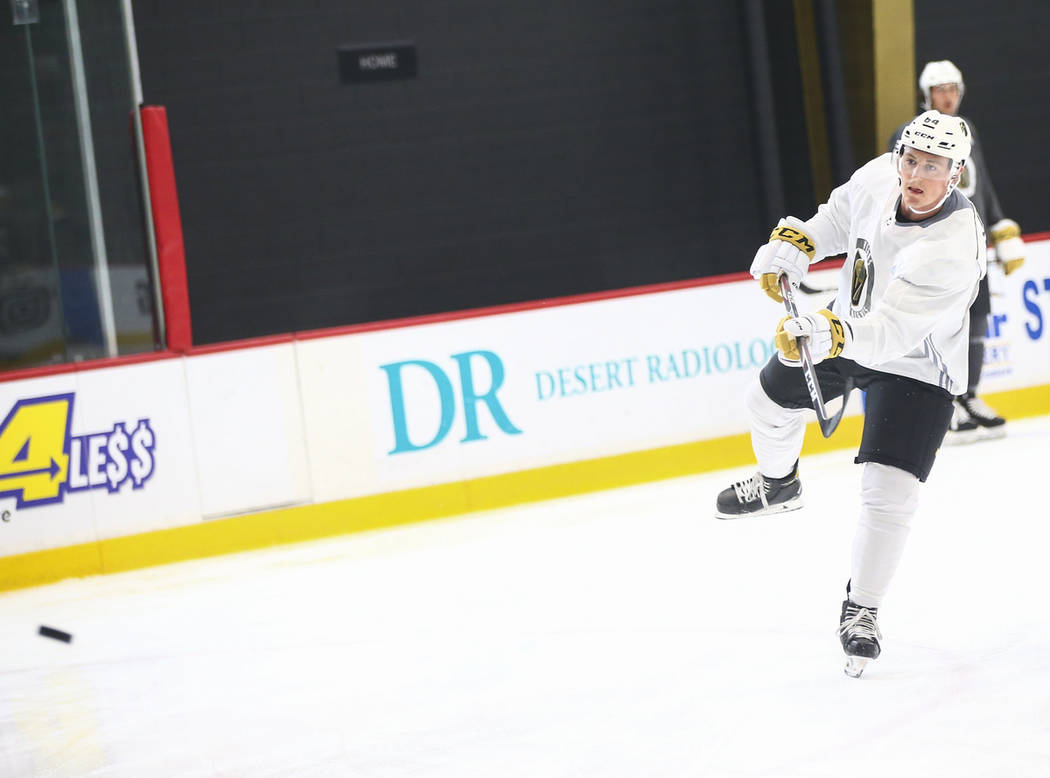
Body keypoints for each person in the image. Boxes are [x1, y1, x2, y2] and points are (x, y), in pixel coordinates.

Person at [715, 110, 985, 678]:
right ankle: (777, 483)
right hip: (846, 324)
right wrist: (798, 245)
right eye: (910, 158)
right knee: (764, 403)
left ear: (955, 174)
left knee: (888, 491)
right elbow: (838, 216)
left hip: (915, 364)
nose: (913, 173)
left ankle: (861, 608)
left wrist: (825, 331)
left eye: (931, 166)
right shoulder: (882, 175)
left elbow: (890, 333)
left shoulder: (953, 247)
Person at [889, 60, 1025, 442]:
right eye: (939, 90)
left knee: (977, 319)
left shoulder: (968, 132)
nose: (947, 97)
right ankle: (941, 403)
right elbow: (900, 189)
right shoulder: (908, 134)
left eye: (953, 89)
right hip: (932, 248)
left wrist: (999, 225)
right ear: (926, 94)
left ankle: (969, 396)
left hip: (972, 245)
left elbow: (981, 184)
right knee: (938, 325)